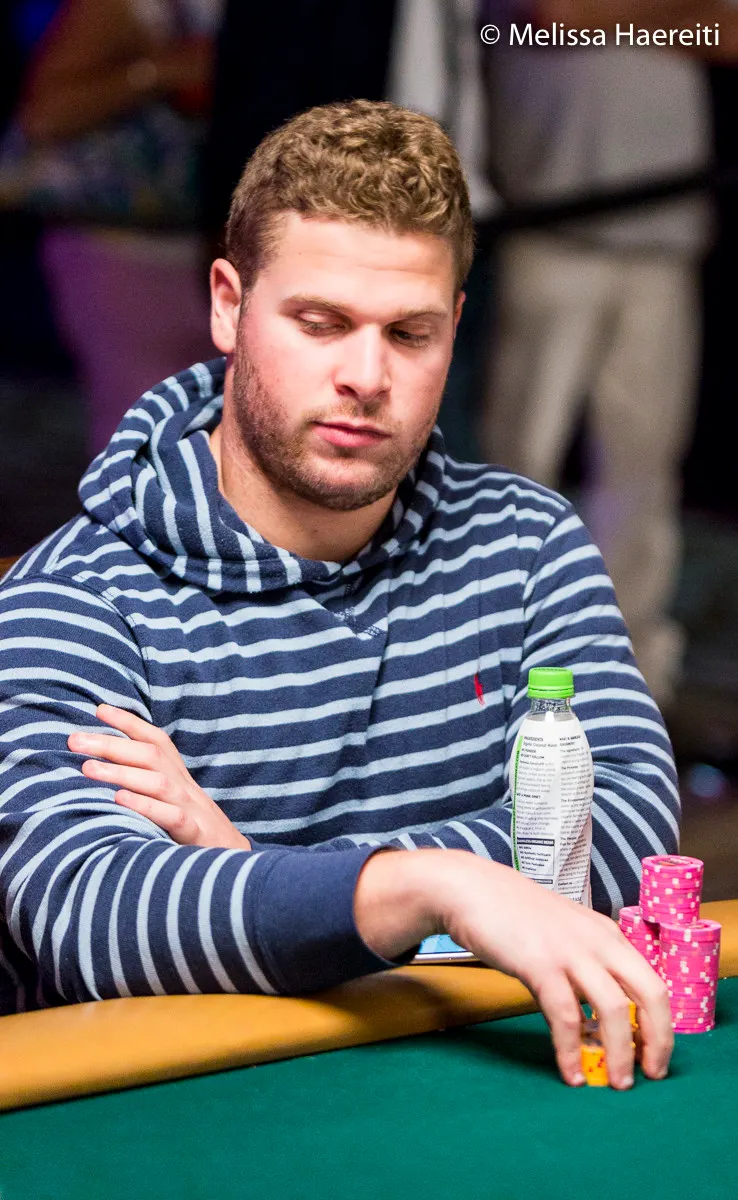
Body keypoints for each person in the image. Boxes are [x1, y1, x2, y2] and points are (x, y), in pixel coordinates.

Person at [0, 101, 675, 1090]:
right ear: (227, 306)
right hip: (180, 1131)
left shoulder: (527, 544)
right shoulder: (77, 600)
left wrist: (252, 869)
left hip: (475, 1101)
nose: (367, 375)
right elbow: (91, 916)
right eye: (320, 324)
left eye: (410, 333)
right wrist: (429, 887)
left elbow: (626, 821)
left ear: (455, 328)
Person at [479, 0, 738, 708]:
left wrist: (621, 15)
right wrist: (677, 18)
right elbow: (550, 14)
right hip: (553, 223)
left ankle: (630, 686)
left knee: (642, 469)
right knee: (519, 469)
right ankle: (496, 674)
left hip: (666, 234)